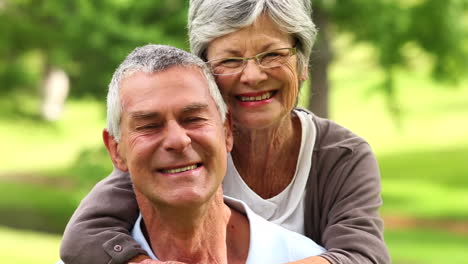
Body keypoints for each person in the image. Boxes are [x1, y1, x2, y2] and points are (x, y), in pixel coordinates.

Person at [60, 1, 390, 264]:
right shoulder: (181, 153)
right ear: (204, 73)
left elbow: (364, 255)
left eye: (272, 55)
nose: (252, 76)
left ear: (302, 65)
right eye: (231, 60)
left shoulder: (341, 155)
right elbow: (84, 236)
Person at [57, 44, 326, 264]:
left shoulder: (303, 257)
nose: (177, 140)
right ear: (116, 150)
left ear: (227, 131)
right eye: (149, 126)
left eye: (193, 118)